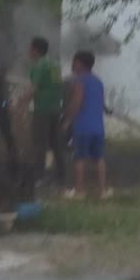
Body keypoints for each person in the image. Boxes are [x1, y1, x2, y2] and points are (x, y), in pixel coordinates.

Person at [62, 50, 107, 200]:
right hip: (98, 127)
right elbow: (101, 103)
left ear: (79, 64)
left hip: (83, 127)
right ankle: (102, 191)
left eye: (74, 62)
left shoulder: (79, 81)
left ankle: (79, 191)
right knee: (99, 158)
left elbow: (76, 104)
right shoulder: (98, 81)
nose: (72, 65)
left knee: (79, 158)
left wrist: (67, 121)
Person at [27, 37, 65, 184]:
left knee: (39, 143)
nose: (29, 51)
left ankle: (39, 176)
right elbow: (58, 85)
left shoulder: (39, 66)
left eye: (30, 48)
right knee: (55, 142)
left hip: (42, 109)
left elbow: (33, 89)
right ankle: (61, 172)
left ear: (35, 49)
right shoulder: (55, 65)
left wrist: (19, 101)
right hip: (55, 108)